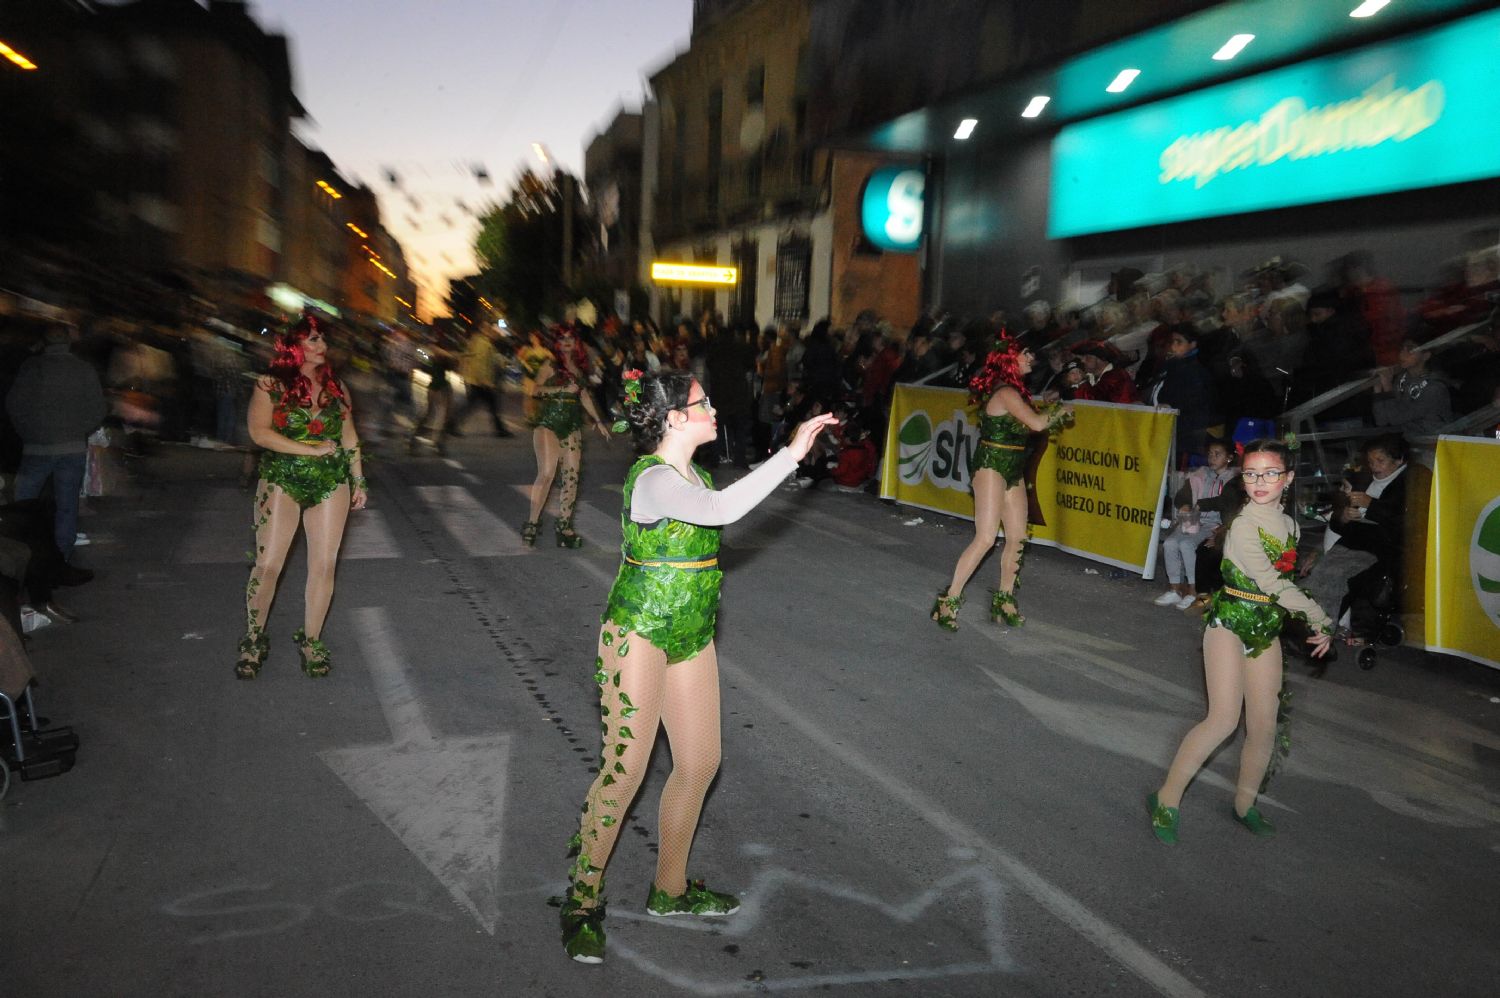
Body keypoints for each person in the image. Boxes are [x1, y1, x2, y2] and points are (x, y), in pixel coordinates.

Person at [558, 369, 837, 964]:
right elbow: (720, 510)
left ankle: (671, 888)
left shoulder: (695, 472)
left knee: (701, 761)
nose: (713, 407)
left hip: (691, 636)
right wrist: (790, 454)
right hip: (637, 635)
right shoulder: (654, 480)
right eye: (701, 402)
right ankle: (582, 902)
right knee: (625, 772)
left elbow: (712, 505)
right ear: (675, 419)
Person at [1148, 439, 1333, 844]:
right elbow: (1270, 582)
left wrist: (1305, 613)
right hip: (1230, 622)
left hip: (1266, 628)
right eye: (1251, 474)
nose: (1259, 482)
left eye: (1270, 473)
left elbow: (1282, 584)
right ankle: (1165, 799)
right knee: (1223, 720)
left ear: (1287, 478)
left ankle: (1245, 804)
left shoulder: (1291, 525)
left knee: (1264, 726)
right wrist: (1319, 617)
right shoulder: (1246, 524)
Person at [238, 315, 368, 680]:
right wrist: (309, 451)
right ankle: (252, 640)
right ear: (294, 346)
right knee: (268, 566)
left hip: (330, 481)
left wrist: (359, 479)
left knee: (324, 565)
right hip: (283, 477)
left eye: (322, 338)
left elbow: (349, 435)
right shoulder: (271, 385)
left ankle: (312, 641)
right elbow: (259, 433)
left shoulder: (336, 386)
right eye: (313, 339)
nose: (321, 345)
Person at [932, 335, 1071, 630]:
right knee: (985, 538)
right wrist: (1062, 410)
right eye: (1024, 354)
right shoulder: (1006, 392)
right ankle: (948, 601)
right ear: (1010, 360)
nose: (1030, 358)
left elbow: (1030, 419)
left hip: (1013, 467)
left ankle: (1004, 600)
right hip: (991, 465)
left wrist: (1048, 406)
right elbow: (1036, 424)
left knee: (1018, 538)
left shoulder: (1015, 394)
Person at [5, 322, 107, 562]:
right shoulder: (83, 369)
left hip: (36, 448)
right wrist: (80, 431)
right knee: (67, 504)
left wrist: (28, 433)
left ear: (44, 342)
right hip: (72, 447)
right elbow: (98, 408)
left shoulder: (31, 368)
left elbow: (14, 405)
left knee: (24, 503)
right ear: (68, 342)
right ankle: (61, 556)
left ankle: (24, 553)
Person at [521, 326, 609, 547]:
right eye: (563, 339)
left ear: (576, 343)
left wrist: (598, 421)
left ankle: (564, 528)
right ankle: (532, 523)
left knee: (571, 477)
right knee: (548, 473)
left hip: (571, 426)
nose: (567, 342)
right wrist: (560, 391)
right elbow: (535, 390)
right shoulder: (550, 365)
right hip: (548, 423)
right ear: (557, 343)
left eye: (571, 338)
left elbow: (585, 395)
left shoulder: (578, 369)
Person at [1152, 438, 1237, 609]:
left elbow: (1226, 503)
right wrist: (1184, 504)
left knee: (1186, 545)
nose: (1211, 458)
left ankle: (1193, 591)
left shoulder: (1233, 479)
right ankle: (1175, 590)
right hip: (1192, 521)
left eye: (1217, 454)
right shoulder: (1201, 474)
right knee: (1169, 543)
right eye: (1210, 454)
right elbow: (1182, 495)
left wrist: (1203, 506)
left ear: (1229, 458)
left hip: (1215, 525)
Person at [456, 326, 512, 437]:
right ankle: (500, 429)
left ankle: (500, 429)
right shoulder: (484, 345)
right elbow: (480, 364)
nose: (496, 336)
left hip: (478, 381)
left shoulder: (483, 343)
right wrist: (485, 381)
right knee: (487, 404)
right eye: (495, 334)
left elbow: (488, 360)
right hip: (480, 382)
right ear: (489, 333)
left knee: (480, 404)